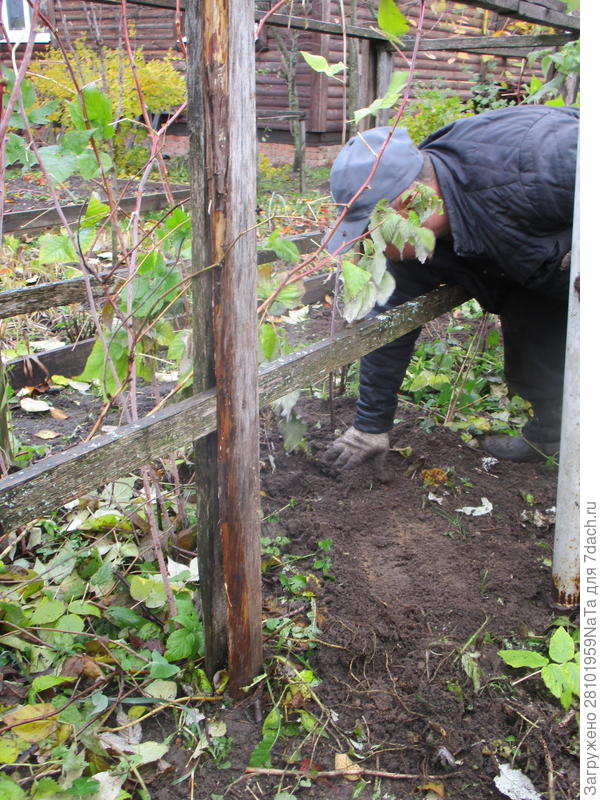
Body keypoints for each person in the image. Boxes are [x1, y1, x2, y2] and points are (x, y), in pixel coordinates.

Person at [322, 104, 578, 470]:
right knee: (533, 351)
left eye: (370, 231)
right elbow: (389, 326)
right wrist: (369, 427)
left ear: (410, 203)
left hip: (568, 260)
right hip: (535, 269)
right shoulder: (410, 248)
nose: (370, 246)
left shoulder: (542, 158)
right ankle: (551, 436)